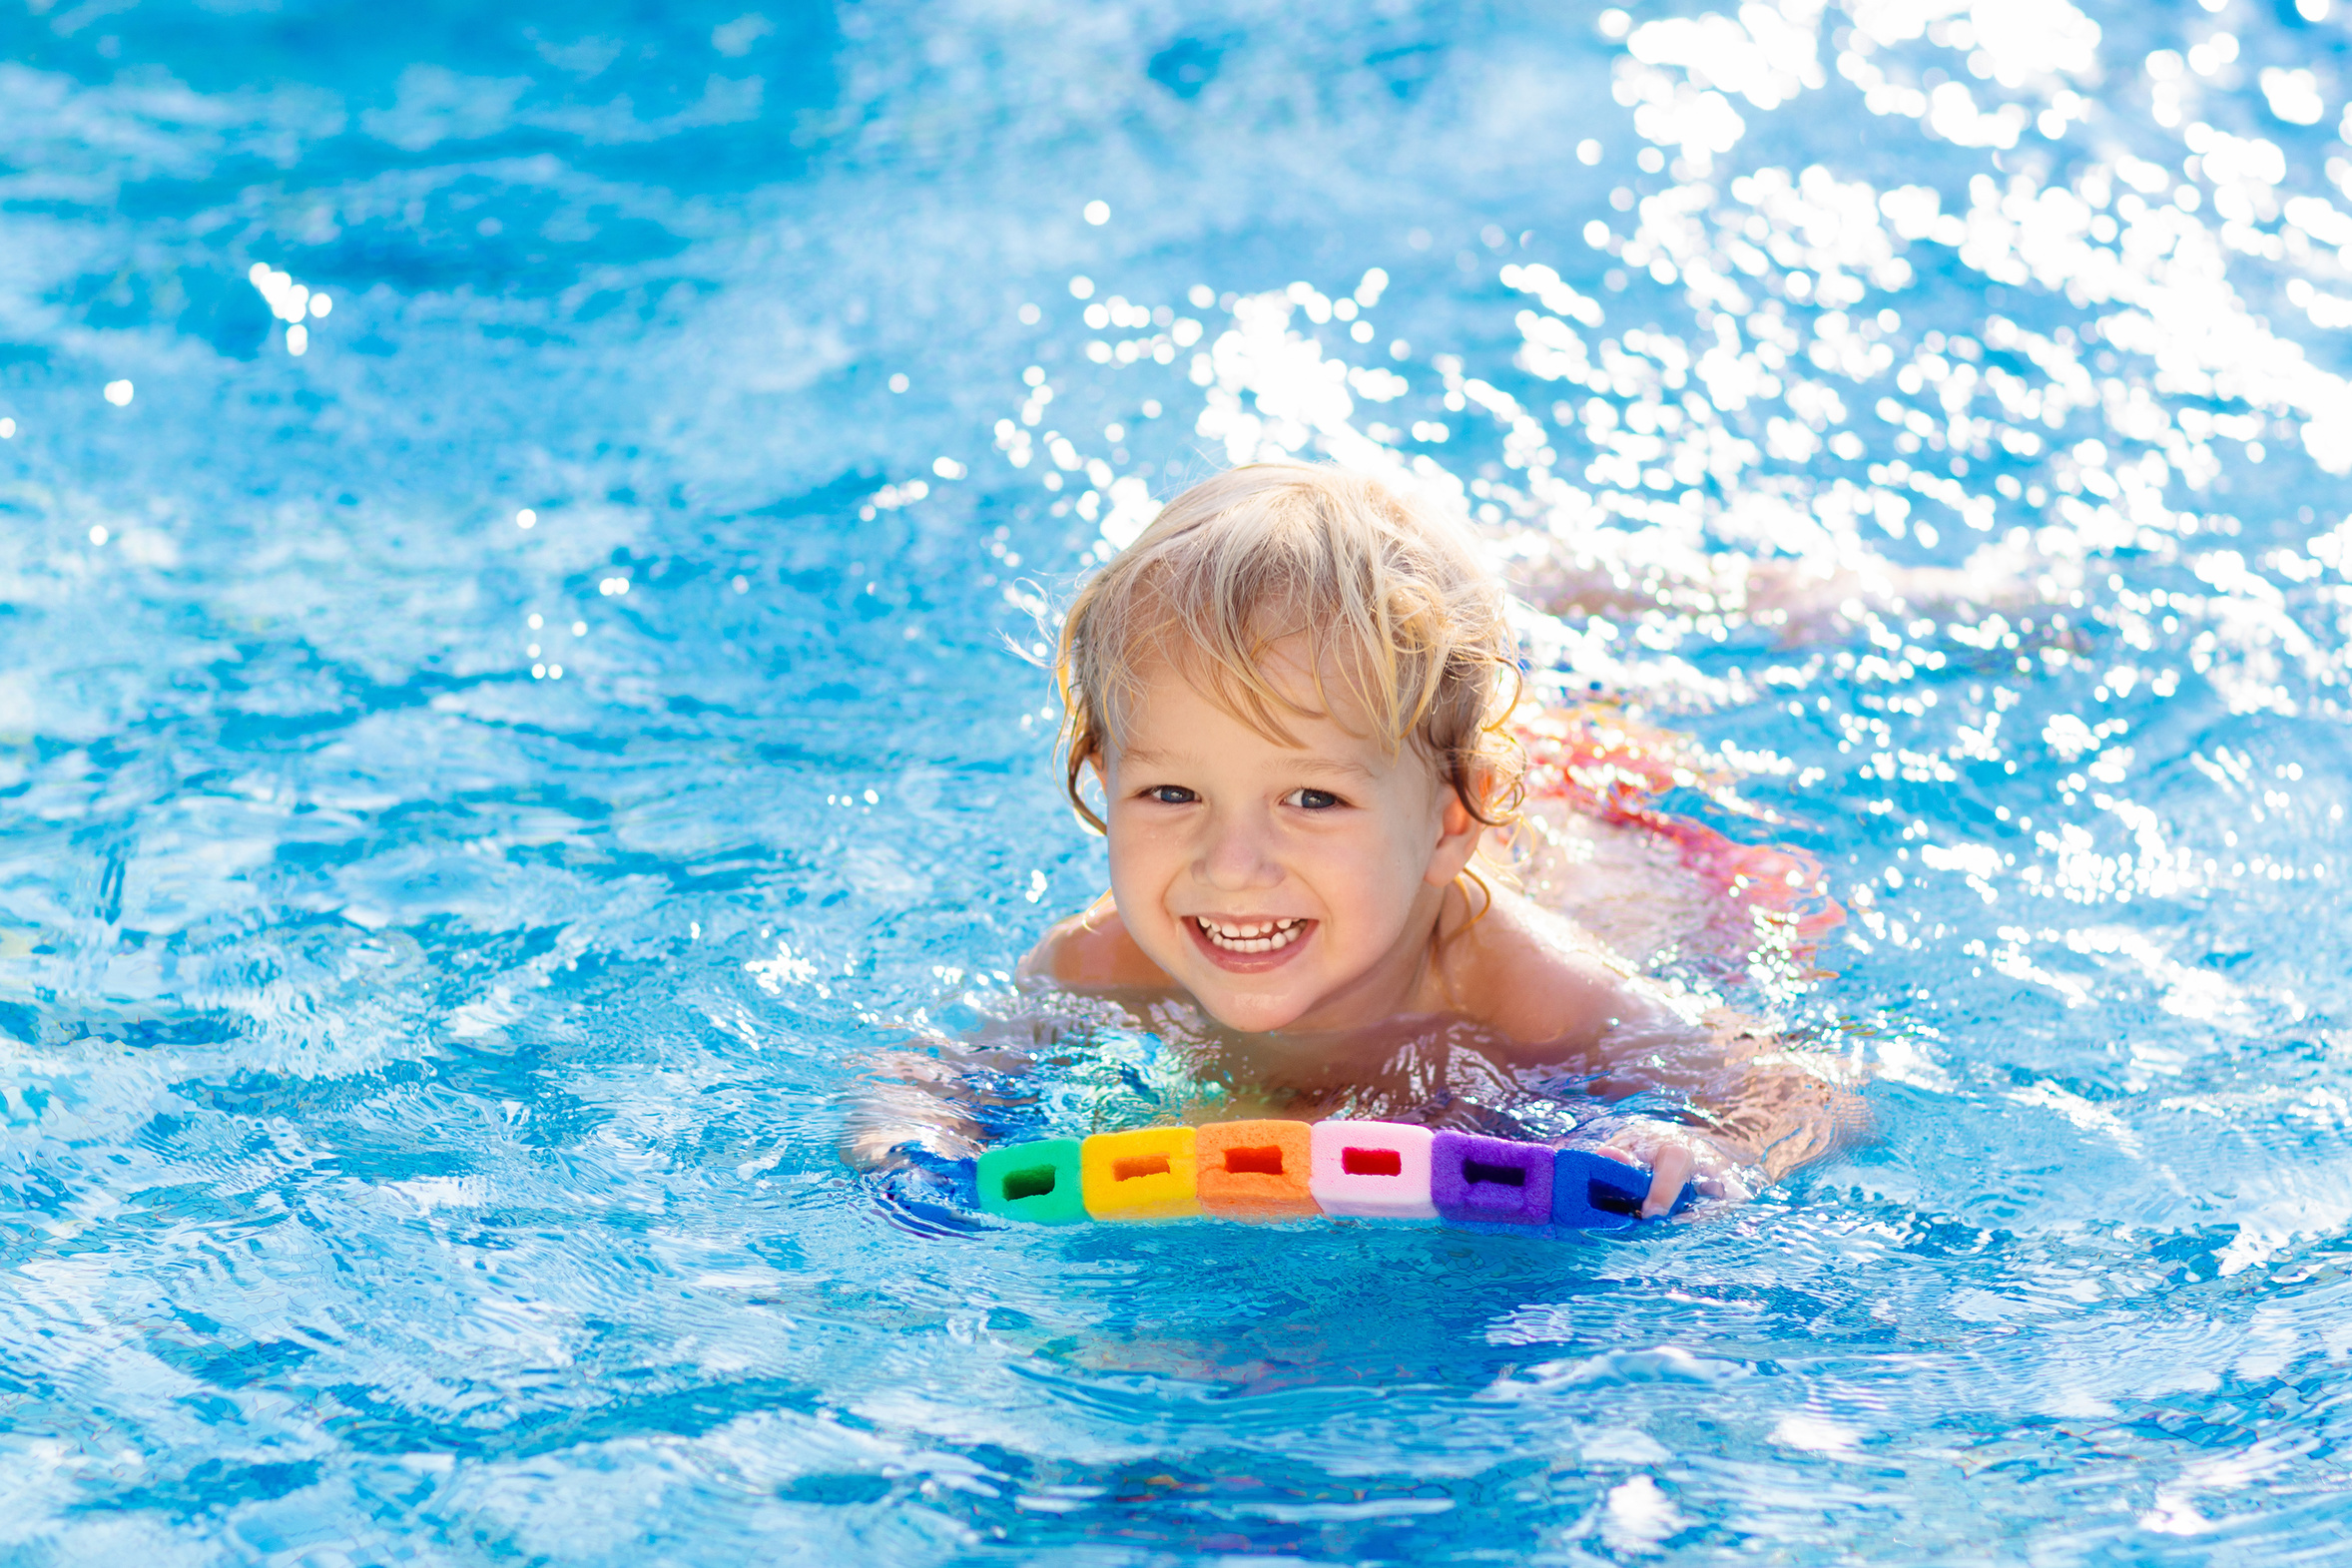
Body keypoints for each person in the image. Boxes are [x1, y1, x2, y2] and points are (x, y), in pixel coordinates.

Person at [848, 461, 1867, 1218]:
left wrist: (1700, 1143)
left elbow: (1799, 1087)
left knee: (1627, 696)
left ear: (1449, 820)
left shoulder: (1523, 987)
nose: (1229, 863)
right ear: (1098, 778)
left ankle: (1827, 593)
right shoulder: (1099, 961)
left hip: (1614, 819)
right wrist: (913, 1144)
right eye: (1171, 791)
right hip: (1455, 776)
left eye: (1310, 800)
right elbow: (928, 1077)